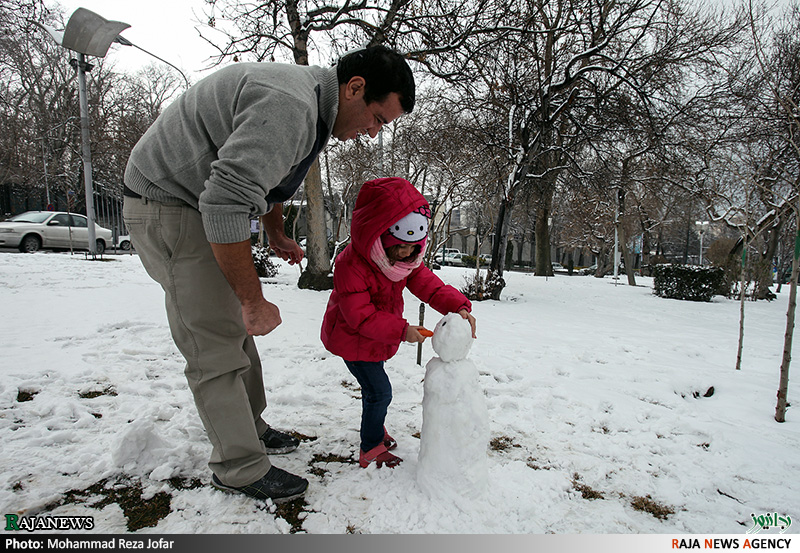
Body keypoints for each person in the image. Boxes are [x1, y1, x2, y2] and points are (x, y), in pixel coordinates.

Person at [122, 46, 415, 502]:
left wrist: (275, 228)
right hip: (170, 205)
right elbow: (224, 200)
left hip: (195, 201)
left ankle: (250, 429)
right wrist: (253, 298)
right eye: (378, 118)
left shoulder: (315, 108)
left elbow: (270, 174)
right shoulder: (290, 105)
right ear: (354, 88)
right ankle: (238, 467)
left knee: (236, 332)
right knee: (215, 342)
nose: (373, 133)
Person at [320, 177, 477, 468]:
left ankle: (374, 430)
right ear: (378, 237)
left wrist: (458, 305)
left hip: (374, 340)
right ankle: (370, 447)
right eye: (400, 247)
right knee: (380, 391)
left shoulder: (405, 263)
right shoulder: (350, 265)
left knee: (375, 390)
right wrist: (402, 331)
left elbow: (429, 285)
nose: (407, 254)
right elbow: (360, 316)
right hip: (351, 338)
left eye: (413, 248)